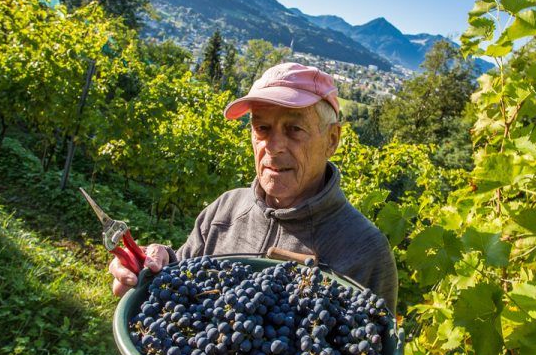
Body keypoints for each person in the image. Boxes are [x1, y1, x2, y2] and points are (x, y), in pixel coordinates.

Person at [109, 62, 398, 312]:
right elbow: (181, 277)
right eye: (262, 128)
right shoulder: (225, 209)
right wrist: (153, 265)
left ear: (332, 139)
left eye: (294, 129)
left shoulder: (364, 251)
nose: (272, 147)